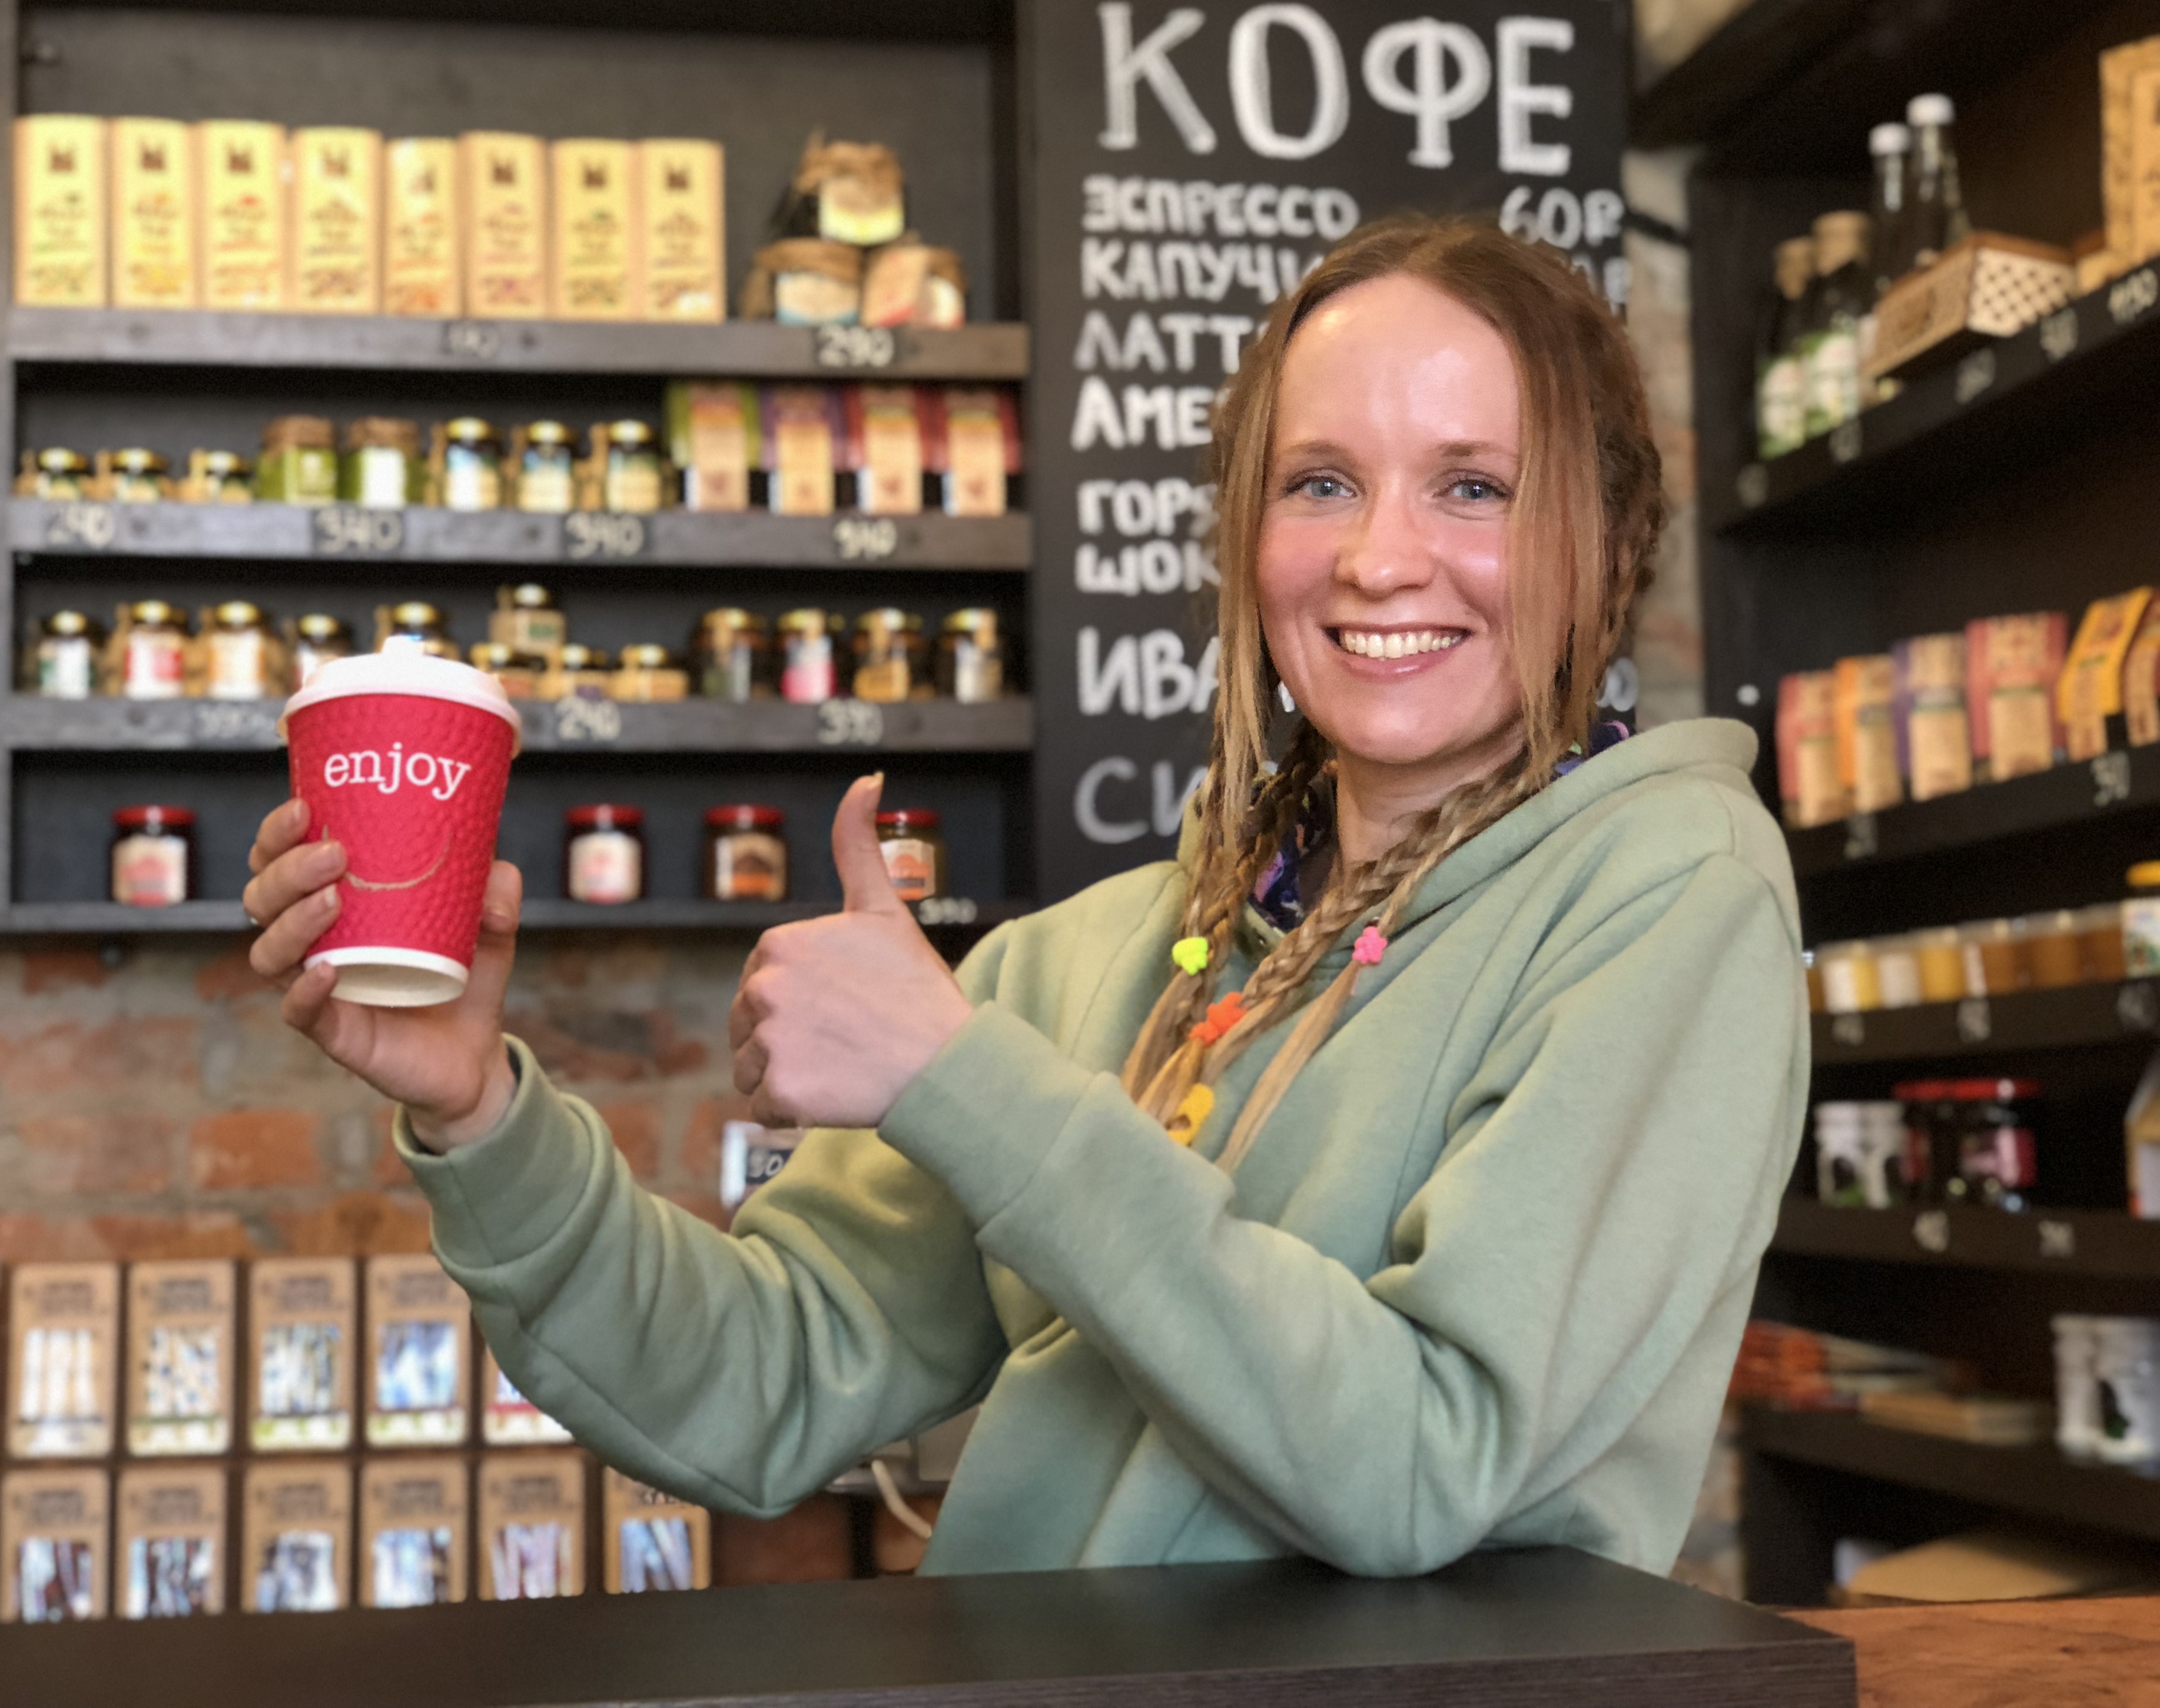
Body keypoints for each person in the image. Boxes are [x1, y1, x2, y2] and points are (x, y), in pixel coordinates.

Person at [241, 216, 1806, 1579]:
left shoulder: (1669, 893)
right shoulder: (1097, 962)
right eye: (1320, 483)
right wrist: (477, 1113)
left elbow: (1426, 1469)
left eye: (1474, 487)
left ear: (1606, 539)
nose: (1380, 560)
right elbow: (753, 1389)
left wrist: (958, 1080)